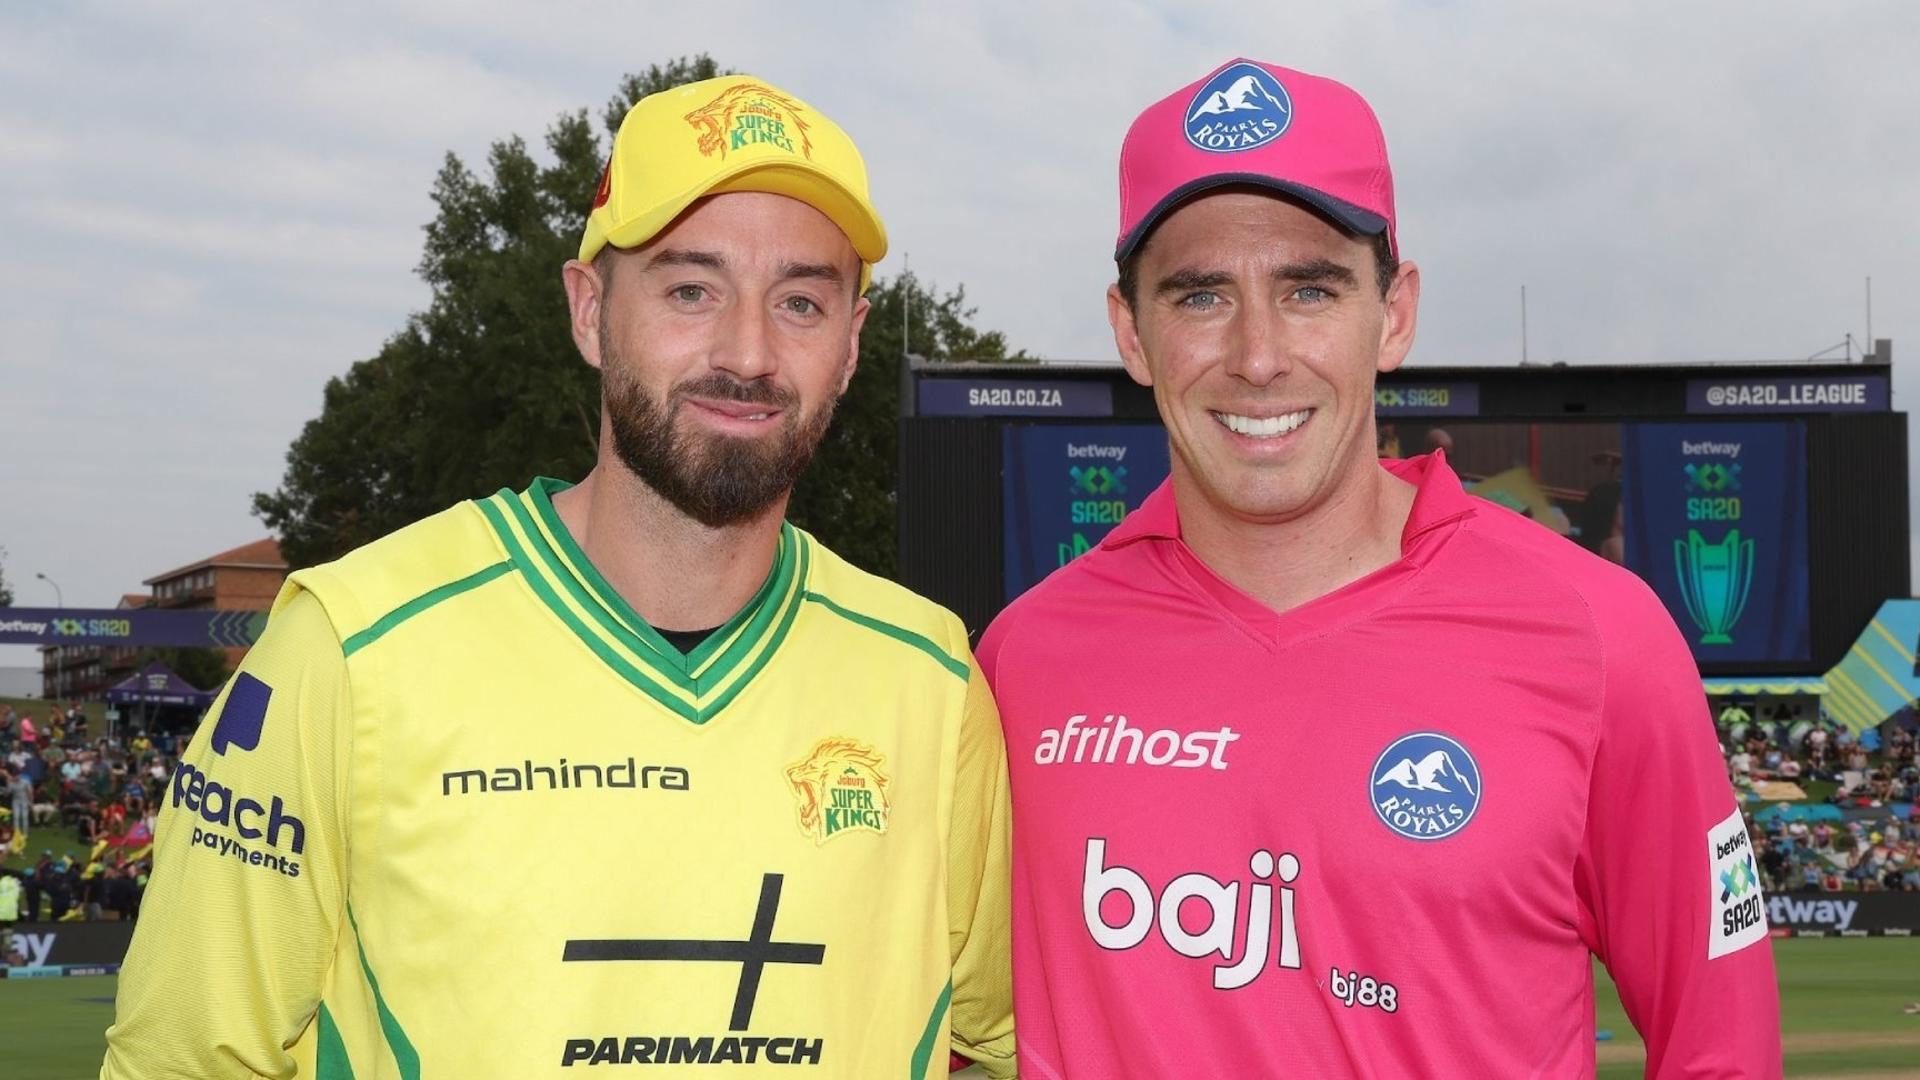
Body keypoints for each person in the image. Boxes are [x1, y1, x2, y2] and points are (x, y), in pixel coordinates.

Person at [104, 74, 1014, 1078]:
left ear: (850, 345)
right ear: (590, 311)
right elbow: (185, 1059)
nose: (749, 352)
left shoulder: (932, 681)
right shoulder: (352, 646)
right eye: (691, 289)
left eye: (801, 301)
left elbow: (1012, 1039)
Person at [979, 58, 1780, 1076]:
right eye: (1201, 296)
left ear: (1394, 314)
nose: (1259, 355)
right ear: (1132, 333)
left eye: (1310, 290)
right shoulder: (1024, 663)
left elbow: (1723, 1050)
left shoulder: (1601, 637)